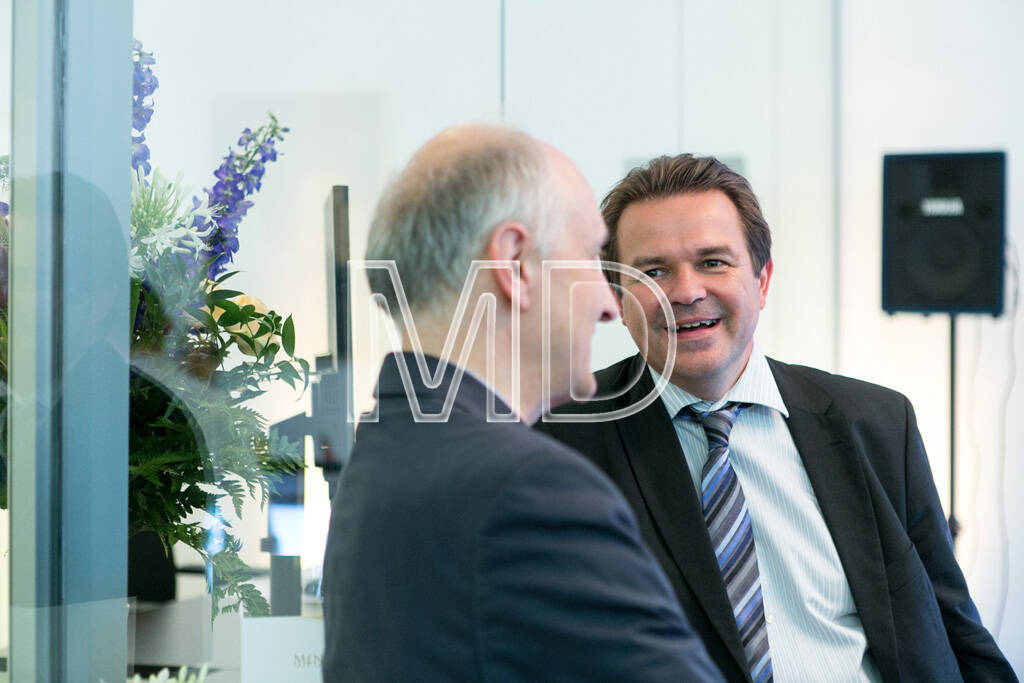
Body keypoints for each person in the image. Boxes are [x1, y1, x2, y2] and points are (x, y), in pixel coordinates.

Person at [539, 154, 1017, 682]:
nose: (685, 291)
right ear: (617, 297)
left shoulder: (879, 423)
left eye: (713, 262)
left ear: (762, 280)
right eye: (652, 272)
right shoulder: (560, 441)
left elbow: (956, 630)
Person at [320, 127, 723, 682]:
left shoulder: (382, 457)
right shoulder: (530, 491)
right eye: (587, 255)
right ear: (513, 264)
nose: (610, 304)